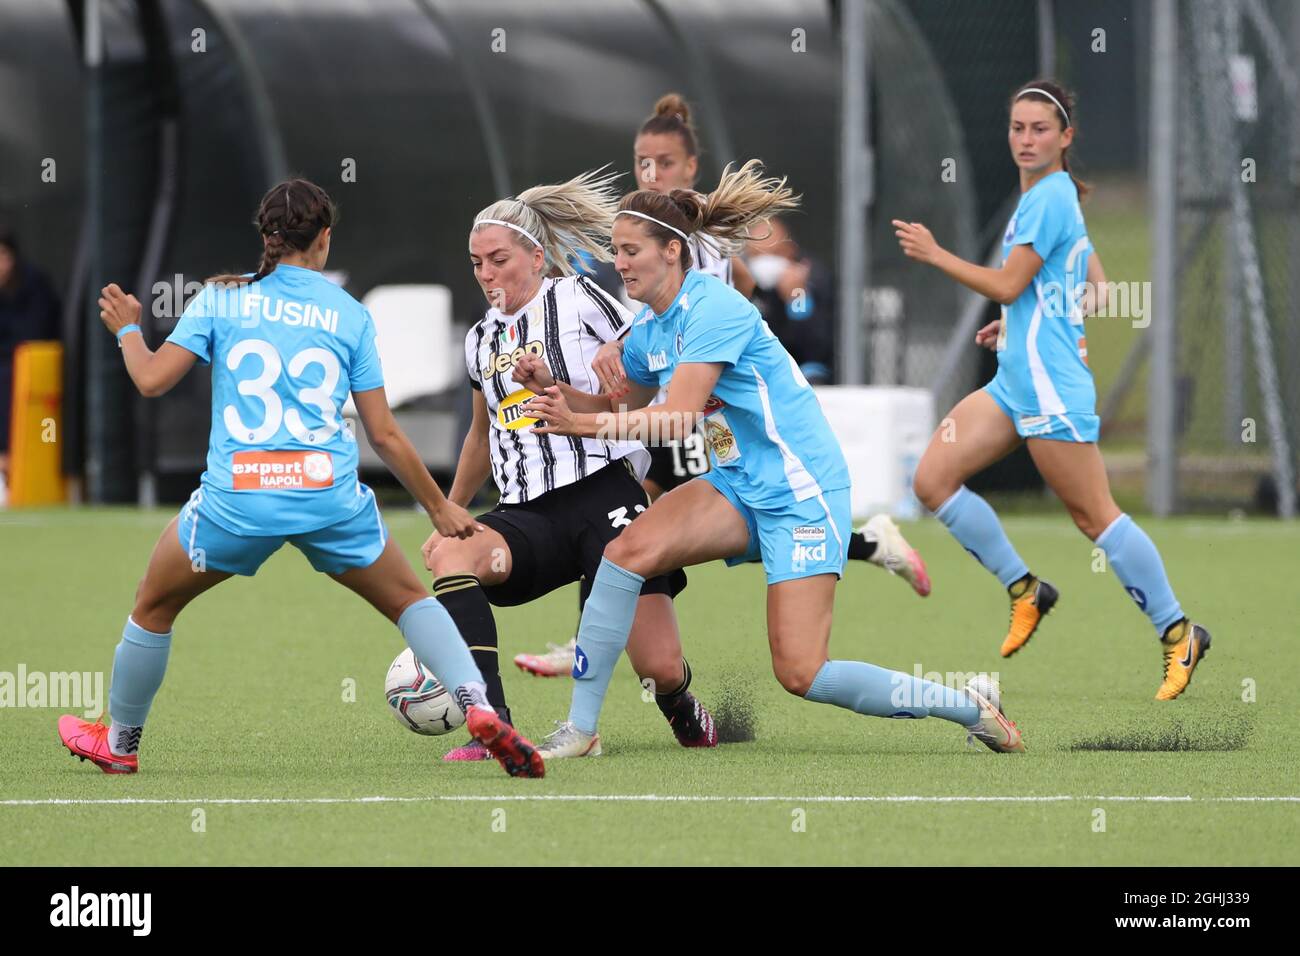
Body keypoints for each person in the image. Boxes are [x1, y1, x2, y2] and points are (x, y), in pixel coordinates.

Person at [522, 161, 1024, 759]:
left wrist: (583, 423)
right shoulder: (651, 326)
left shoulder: (713, 309)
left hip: (800, 493)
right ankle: (581, 730)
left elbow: (678, 418)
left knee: (802, 673)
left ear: (674, 253)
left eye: (631, 251)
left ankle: (968, 706)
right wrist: (552, 389)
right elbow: (619, 401)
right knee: (624, 553)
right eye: (616, 252)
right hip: (736, 484)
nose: (620, 263)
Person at [56, 179, 544, 778]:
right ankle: (479, 704)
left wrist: (130, 328)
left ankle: (121, 743)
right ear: (325, 239)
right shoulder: (349, 314)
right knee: (412, 601)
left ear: (265, 237)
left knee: (153, 607)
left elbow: (152, 380)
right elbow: (384, 433)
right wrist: (439, 507)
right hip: (326, 495)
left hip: (236, 501)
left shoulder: (220, 298)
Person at [512, 96, 930, 680]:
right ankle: (867, 544)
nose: (652, 173)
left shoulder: (696, 240)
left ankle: (594, 644)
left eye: (664, 162)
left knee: (623, 516)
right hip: (706, 425)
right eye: (641, 162)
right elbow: (667, 322)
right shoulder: (656, 231)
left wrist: (617, 360)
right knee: (632, 529)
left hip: (695, 413)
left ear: (691, 166)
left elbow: (700, 311)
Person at [893, 80, 1210, 700]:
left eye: (1040, 129)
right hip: (1017, 381)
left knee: (1096, 517)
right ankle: (1025, 589)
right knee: (931, 480)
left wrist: (936, 256)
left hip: (1049, 390)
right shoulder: (1046, 196)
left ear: (1066, 138)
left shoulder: (1050, 197)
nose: (1026, 139)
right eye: (1017, 128)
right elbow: (1098, 287)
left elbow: (1011, 284)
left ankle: (1179, 631)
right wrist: (1025, 323)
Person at [422, 169, 717, 761]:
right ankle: (492, 722)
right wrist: (450, 509)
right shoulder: (479, 338)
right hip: (527, 515)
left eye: (498, 259)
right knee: (450, 552)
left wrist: (621, 346)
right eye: (476, 262)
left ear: (535, 257)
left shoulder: (578, 297)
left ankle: (681, 703)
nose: (485, 274)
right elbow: (481, 435)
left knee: (657, 667)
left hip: (604, 496)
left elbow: (657, 329)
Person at [0, 227, 62, 504]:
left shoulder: (35, 285)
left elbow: (34, 336)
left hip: (32, 372)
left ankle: (8, 460)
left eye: (2, 255)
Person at [746, 216, 835, 386]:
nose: (766, 261)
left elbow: (814, 349)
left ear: (790, 251)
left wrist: (796, 298)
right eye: (757, 254)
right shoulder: (743, 284)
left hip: (800, 371)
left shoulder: (810, 280)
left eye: (774, 253)